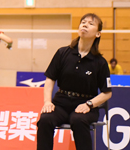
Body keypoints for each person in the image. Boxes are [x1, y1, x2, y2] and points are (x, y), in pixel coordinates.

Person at [36, 13, 112, 150]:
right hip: (61, 103)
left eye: (91, 24)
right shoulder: (63, 53)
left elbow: (107, 93)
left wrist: (89, 104)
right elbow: (50, 79)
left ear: (98, 34)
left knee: (78, 120)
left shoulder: (100, 62)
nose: (85, 24)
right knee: (45, 119)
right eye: (83, 22)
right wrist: (47, 101)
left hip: (85, 105)